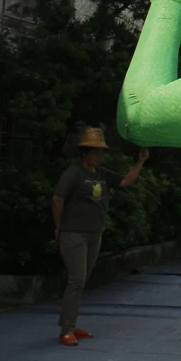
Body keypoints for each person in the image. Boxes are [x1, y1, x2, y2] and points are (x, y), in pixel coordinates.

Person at [52, 127, 149, 346]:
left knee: (81, 281)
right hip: (74, 234)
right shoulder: (73, 173)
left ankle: (70, 323)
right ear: (85, 152)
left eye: (101, 153)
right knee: (76, 280)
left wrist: (140, 162)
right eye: (95, 152)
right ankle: (67, 330)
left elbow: (124, 182)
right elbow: (58, 198)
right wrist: (58, 227)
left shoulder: (102, 174)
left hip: (94, 234)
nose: (99, 156)